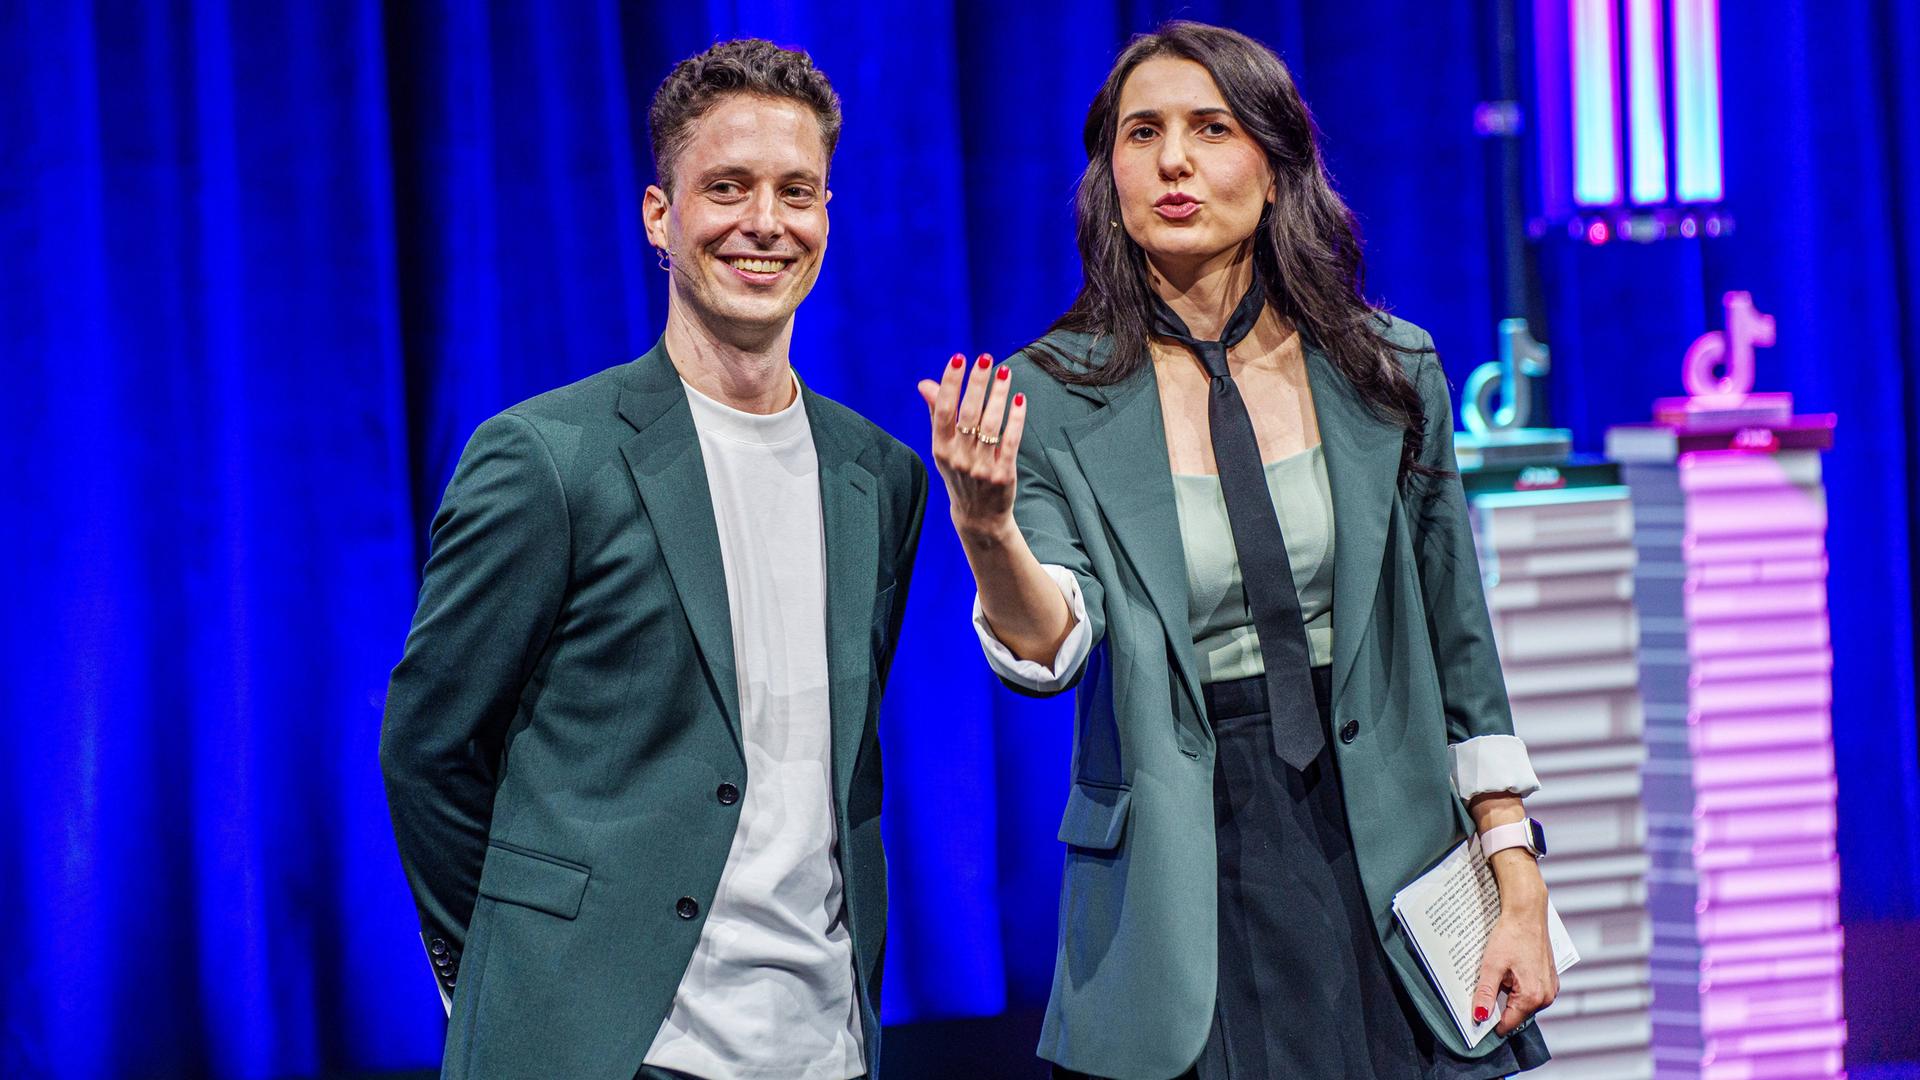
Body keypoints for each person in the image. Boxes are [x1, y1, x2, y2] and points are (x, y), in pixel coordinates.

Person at [918, 21, 1556, 1080]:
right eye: (1142, 133)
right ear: (1109, 176)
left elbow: (1460, 645)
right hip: (1185, 865)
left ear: (1274, 165)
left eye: (1210, 129)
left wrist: (1516, 875)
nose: (1173, 160)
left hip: (1388, 842)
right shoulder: (1051, 395)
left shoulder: (1389, 371)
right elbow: (1051, 646)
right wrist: (987, 532)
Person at [382, 38, 925, 1080]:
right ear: (658, 215)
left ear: (826, 214)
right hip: (600, 1051)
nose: (764, 221)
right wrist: (508, 975)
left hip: (825, 1049)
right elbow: (429, 749)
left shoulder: (879, 476)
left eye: (796, 192)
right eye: (726, 187)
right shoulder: (547, 458)